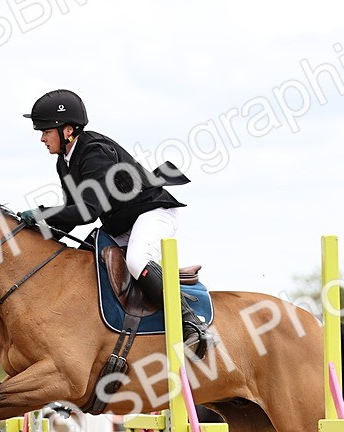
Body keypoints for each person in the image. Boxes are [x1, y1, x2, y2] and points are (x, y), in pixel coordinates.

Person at [17, 89, 213, 357]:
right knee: (81, 262)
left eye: (45, 131)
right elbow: (74, 215)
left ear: (67, 130)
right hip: (120, 223)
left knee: (135, 261)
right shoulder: (65, 163)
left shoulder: (94, 153)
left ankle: (191, 323)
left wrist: (42, 214)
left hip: (151, 212)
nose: (41, 138)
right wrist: (38, 233)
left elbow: (87, 210)